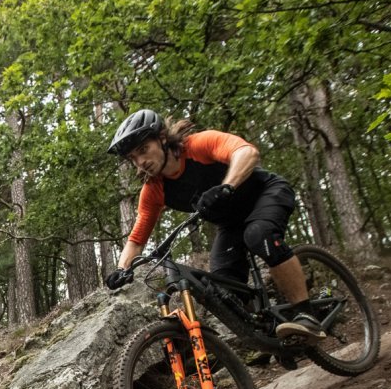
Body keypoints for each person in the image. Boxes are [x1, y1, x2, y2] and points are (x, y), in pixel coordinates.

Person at [104, 108, 326, 344]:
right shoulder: (154, 189)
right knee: (221, 289)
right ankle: (265, 338)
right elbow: (137, 239)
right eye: (133, 158)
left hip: (264, 193)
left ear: (162, 138)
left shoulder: (198, 145)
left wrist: (227, 186)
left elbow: (246, 152)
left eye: (143, 150)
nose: (141, 162)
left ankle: (306, 313)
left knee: (259, 234)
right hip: (231, 224)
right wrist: (122, 269)